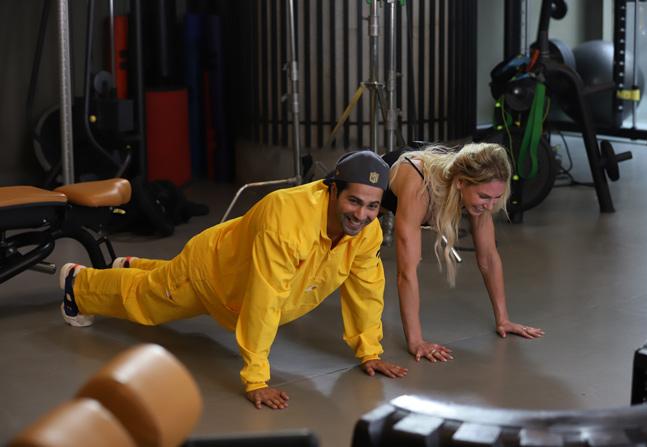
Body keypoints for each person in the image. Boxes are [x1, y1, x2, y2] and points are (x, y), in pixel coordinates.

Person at [59, 150, 408, 410]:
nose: (361, 215)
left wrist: (369, 351)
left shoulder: (367, 233)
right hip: (212, 274)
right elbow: (265, 296)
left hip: (236, 281)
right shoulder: (288, 221)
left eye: (372, 207)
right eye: (353, 201)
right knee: (147, 303)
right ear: (331, 190)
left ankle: (129, 265)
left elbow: (366, 290)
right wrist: (256, 378)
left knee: (161, 283)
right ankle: (79, 285)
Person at [381, 142, 545, 363]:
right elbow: (406, 272)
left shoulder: (479, 193)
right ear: (460, 183)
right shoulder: (419, 187)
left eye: (496, 198)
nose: (490, 206)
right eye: (485, 197)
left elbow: (488, 257)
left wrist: (503, 320)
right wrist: (416, 341)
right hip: (362, 191)